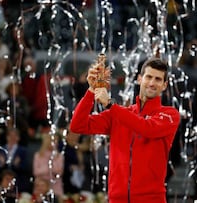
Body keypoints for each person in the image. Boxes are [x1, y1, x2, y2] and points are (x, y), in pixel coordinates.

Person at [69, 57, 180, 203]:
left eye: (158, 79)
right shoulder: (119, 114)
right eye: (149, 77)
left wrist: (110, 105)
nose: (152, 83)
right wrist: (91, 90)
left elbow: (147, 129)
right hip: (117, 199)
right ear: (139, 79)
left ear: (164, 85)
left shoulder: (170, 114)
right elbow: (77, 125)